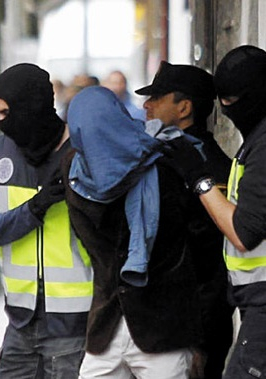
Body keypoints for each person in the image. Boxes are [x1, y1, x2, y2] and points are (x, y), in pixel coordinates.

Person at [62, 86, 202, 378]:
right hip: (106, 329)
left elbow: (194, 244)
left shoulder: (164, 165)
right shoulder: (75, 174)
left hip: (163, 329)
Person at [0, 63, 92, 378]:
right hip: (20, 325)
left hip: (74, 329)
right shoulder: (0, 151)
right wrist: (34, 208)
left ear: (32, 107)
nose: (2, 124)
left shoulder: (82, 150)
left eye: (7, 113)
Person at [163, 44, 266, 379]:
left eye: (232, 101)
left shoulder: (263, 147)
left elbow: (242, 233)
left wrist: (199, 179)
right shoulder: (256, 141)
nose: (226, 109)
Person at [135, 61, 234, 379]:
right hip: (171, 322)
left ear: (185, 107)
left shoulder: (203, 165)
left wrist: (199, 341)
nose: (147, 105)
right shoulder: (168, 155)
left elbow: (211, 262)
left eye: (158, 97)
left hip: (194, 326)